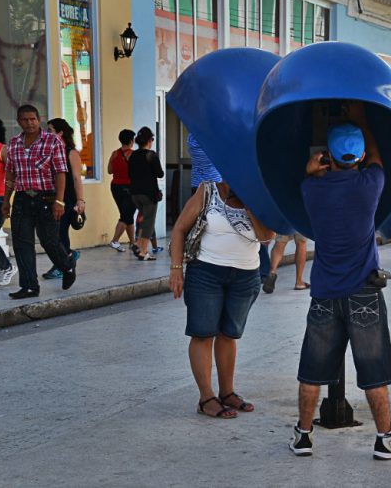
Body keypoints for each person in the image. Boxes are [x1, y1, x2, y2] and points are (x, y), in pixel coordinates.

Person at [290, 102, 391, 460]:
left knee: (312, 370)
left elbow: (307, 180)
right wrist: (363, 122)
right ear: (359, 157)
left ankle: (303, 435)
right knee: (374, 371)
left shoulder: (311, 190)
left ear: (327, 154)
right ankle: (385, 438)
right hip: (364, 291)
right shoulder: (370, 184)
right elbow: (377, 158)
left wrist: (309, 168)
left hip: (325, 293)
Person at [169, 179, 274, 419]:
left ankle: (227, 393)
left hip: (246, 276)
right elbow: (179, 229)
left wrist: (249, 204)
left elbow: (267, 237)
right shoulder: (208, 191)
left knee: (229, 334)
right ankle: (206, 398)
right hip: (206, 273)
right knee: (203, 333)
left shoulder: (257, 194)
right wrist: (176, 268)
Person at [2, 104, 76, 299]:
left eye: (33, 119)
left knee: (49, 241)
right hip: (22, 198)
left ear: (39, 119)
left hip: (47, 197)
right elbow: (10, 173)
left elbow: (61, 172)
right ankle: (29, 286)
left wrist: (59, 202)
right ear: (19, 122)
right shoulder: (14, 143)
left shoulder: (53, 141)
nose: (30, 123)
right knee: (22, 243)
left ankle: (66, 265)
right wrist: (6, 200)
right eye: (25, 120)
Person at [42, 118, 86, 280]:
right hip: (51, 197)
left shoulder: (71, 153)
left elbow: (76, 178)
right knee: (51, 234)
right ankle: (68, 256)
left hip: (67, 199)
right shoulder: (50, 151)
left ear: (60, 132)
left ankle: (62, 265)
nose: (46, 133)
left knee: (59, 233)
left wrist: (80, 200)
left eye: (50, 130)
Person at [129, 127, 164, 260]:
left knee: (143, 218)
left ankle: (138, 244)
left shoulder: (133, 155)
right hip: (148, 194)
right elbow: (160, 173)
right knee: (149, 222)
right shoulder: (151, 155)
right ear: (150, 140)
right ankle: (143, 251)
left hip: (135, 193)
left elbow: (130, 173)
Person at [0, 115, 17, 286]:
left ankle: (6, 267)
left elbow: (13, 174)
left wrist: (7, 199)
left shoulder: (2, 149)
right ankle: (7, 267)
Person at [107, 129, 136, 252]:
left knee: (127, 215)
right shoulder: (133, 155)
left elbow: (109, 170)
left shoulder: (114, 153)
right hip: (129, 188)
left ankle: (133, 243)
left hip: (115, 187)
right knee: (126, 215)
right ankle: (114, 241)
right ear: (131, 141)